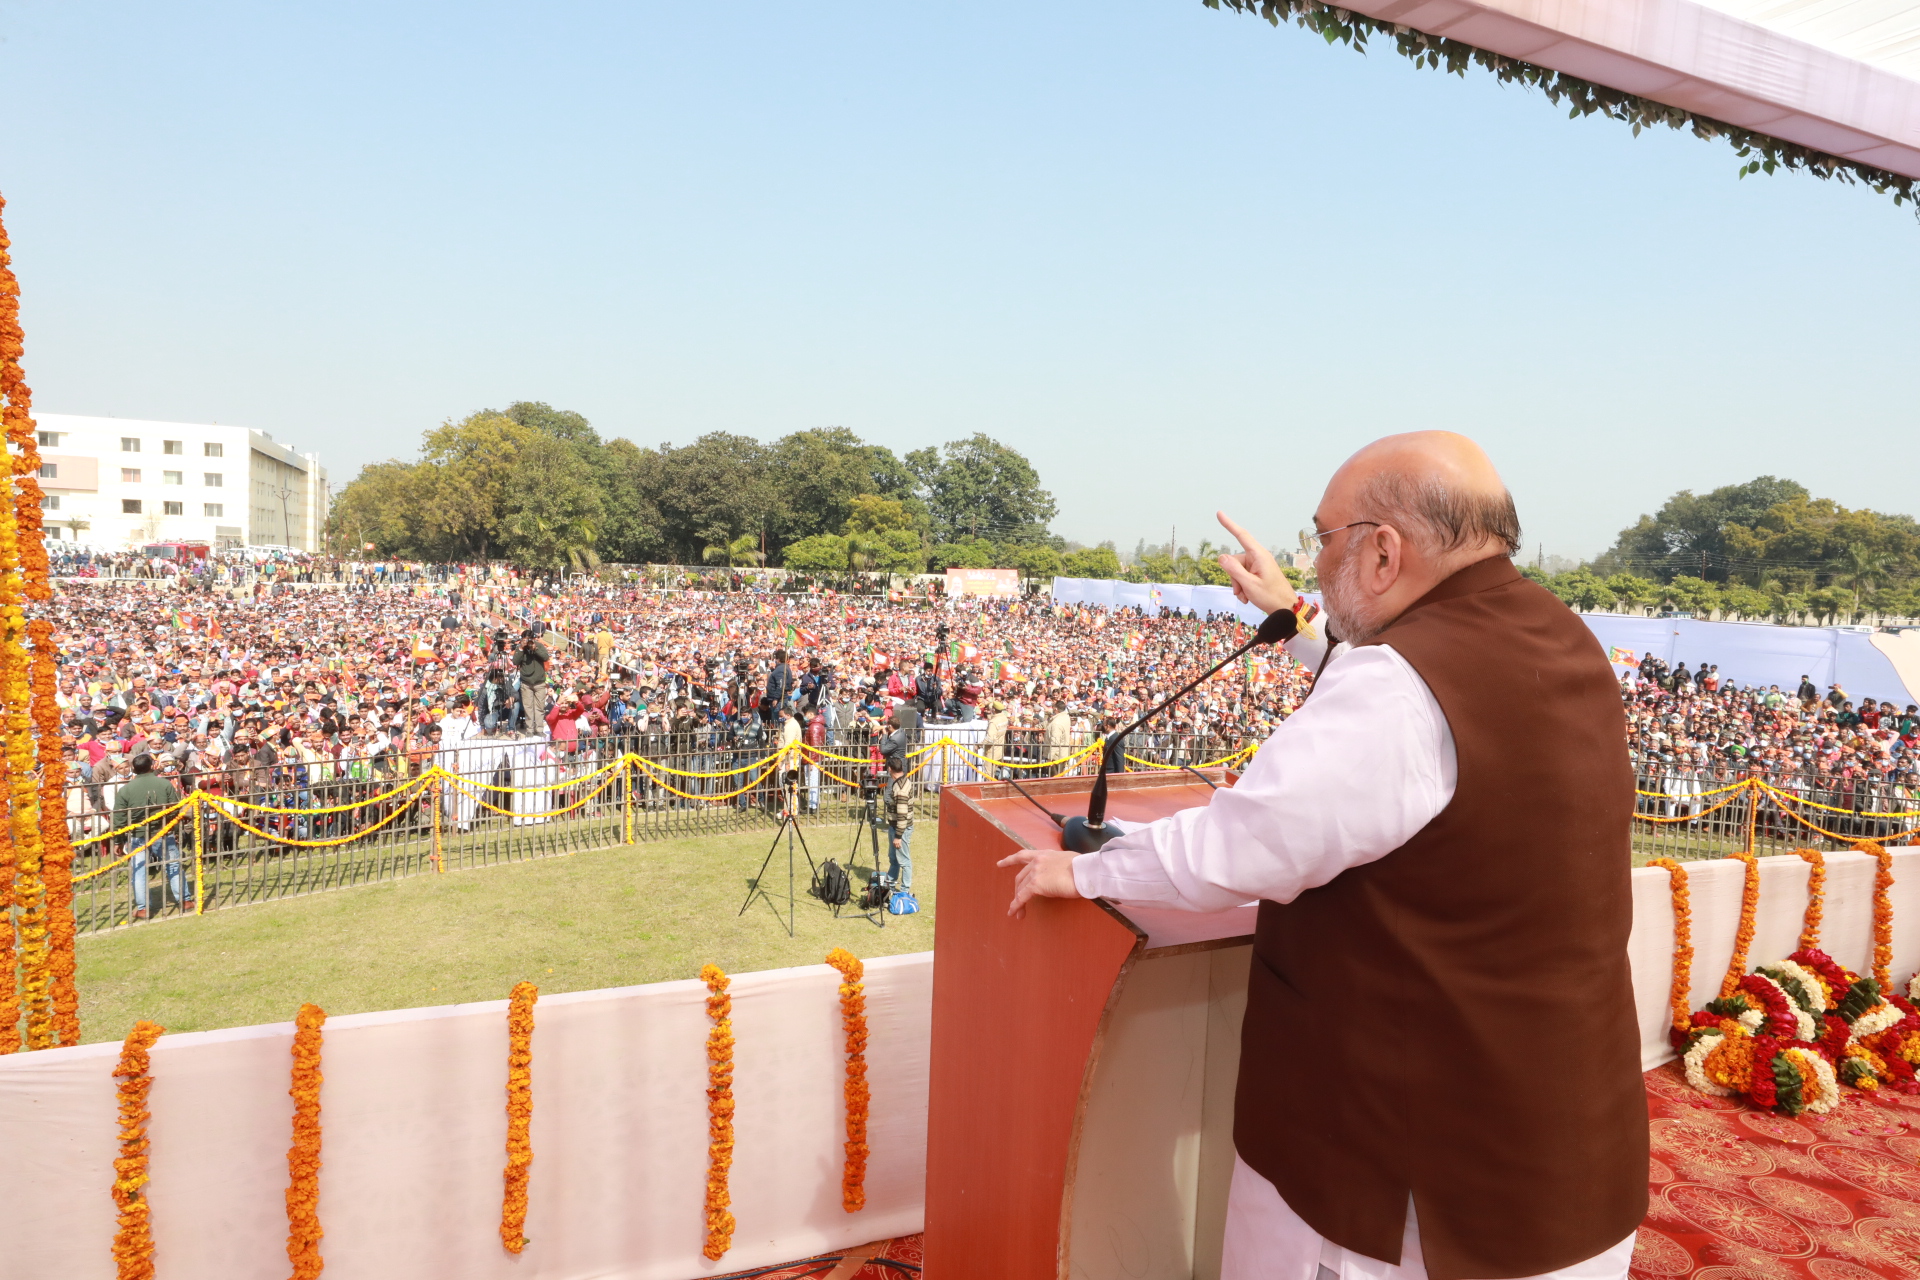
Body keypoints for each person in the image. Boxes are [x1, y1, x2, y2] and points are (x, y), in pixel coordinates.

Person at [998, 432, 1645, 1280]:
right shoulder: (1555, 633)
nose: (1314, 558)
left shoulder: (1400, 687)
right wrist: (1290, 614)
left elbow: (1240, 851)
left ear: (1383, 550)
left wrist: (1081, 869)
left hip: (1396, 1169)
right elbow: (1412, 719)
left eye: (1323, 538)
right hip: (1549, 1133)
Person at [114, 751, 190, 919]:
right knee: (174, 866)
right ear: (152, 766)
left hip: (138, 834)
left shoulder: (126, 789)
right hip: (163, 831)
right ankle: (185, 901)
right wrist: (175, 830)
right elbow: (175, 809)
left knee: (139, 871)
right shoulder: (165, 784)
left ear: (133, 769)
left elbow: (118, 818)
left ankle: (143, 909)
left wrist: (118, 841)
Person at [882, 754, 914, 892]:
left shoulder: (900, 789)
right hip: (896, 826)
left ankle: (904, 890)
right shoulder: (903, 781)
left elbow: (902, 815)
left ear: (890, 769)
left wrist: (898, 836)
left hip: (900, 828)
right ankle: (891, 885)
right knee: (894, 858)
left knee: (904, 861)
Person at [516, 629, 552, 729]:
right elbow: (515, 661)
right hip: (526, 682)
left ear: (533, 639)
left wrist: (535, 649)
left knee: (540, 707)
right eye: (525, 639)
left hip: (539, 682)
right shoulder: (520, 648)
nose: (528, 642)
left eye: (529, 639)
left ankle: (539, 728)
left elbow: (545, 658)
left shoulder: (539, 646)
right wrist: (521, 649)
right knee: (528, 708)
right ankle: (530, 729)